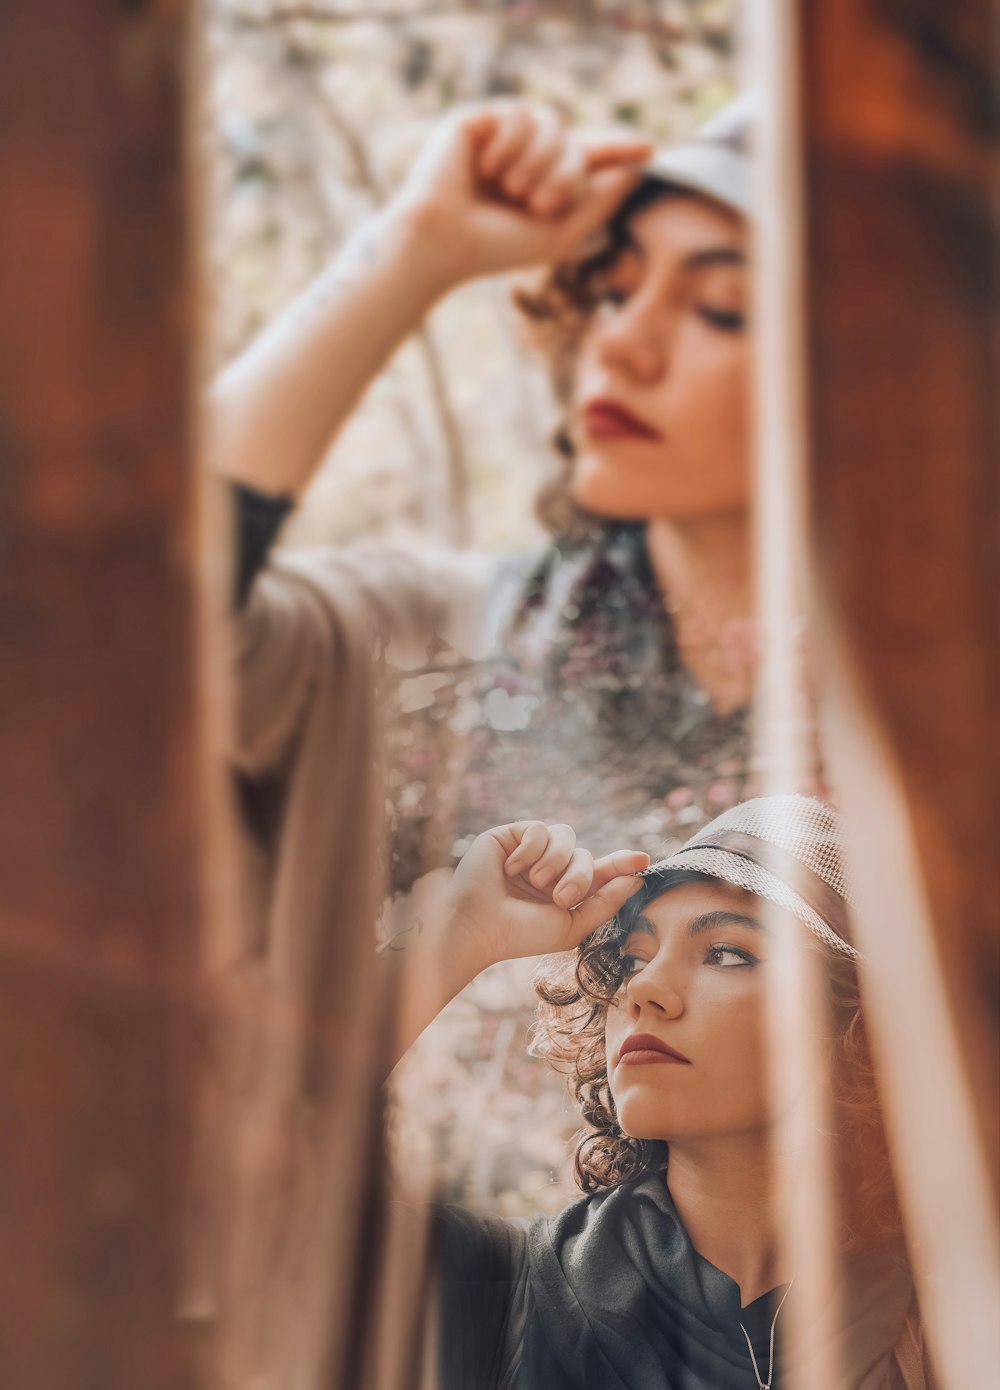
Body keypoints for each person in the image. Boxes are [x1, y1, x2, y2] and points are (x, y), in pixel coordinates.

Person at [212, 95, 770, 899]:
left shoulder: (949, 713)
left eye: (723, 308)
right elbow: (120, 601)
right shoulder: (433, 654)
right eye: (615, 289)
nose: (618, 341)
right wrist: (417, 248)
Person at [385, 795, 931, 1390]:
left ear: (853, 1023)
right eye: (632, 958)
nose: (645, 989)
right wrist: (458, 933)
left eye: (726, 953)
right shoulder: (500, 1292)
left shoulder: (955, 1316)